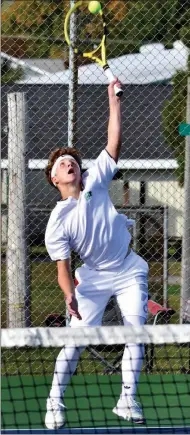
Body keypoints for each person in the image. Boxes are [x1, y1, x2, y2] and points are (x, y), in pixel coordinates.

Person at [44, 79, 149, 429]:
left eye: (73, 160)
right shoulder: (57, 222)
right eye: (63, 164)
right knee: (76, 341)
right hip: (92, 278)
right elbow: (63, 267)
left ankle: (127, 399)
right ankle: (54, 403)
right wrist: (68, 294)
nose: (69, 164)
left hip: (128, 268)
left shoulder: (96, 182)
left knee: (136, 331)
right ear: (55, 179)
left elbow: (113, 142)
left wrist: (113, 100)